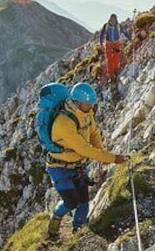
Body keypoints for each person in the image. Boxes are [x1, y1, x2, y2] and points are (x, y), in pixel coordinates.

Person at [46, 82, 128, 237]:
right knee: (71, 202)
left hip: (77, 166)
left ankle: (79, 230)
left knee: (84, 200)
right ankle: (57, 216)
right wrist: (113, 158)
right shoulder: (63, 122)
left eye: (92, 104)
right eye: (87, 104)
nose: (91, 108)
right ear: (77, 103)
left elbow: (94, 133)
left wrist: (102, 154)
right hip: (59, 168)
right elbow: (83, 148)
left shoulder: (86, 113)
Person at [98, 13, 130, 80]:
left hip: (116, 44)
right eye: (112, 19)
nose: (113, 21)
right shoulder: (106, 25)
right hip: (108, 44)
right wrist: (101, 43)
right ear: (110, 19)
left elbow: (124, 32)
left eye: (114, 19)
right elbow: (101, 34)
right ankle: (111, 75)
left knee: (116, 58)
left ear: (116, 20)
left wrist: (130, 38)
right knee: (109, 59)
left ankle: (116, 71)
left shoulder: (118, 26)